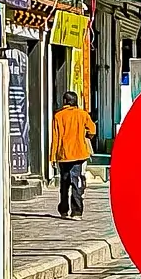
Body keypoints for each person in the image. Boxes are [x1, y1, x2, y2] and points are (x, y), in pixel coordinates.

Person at [50, 93, 93, 221]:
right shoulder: (83, 114)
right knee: (76, 182)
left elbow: (55, 139)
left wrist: (53, 157)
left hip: (63, 155)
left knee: (64, 183)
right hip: (79, 154)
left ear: (64, 101)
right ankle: (77, 212)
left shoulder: (58, 116)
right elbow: (92, 130)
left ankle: (63, 210)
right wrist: (85, 136)